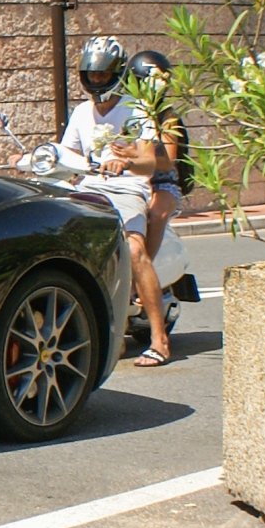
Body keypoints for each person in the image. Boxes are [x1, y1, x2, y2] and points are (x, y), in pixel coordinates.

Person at [58, 37, 174, 367]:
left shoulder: (136, 110)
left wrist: (126, 163)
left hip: (126, 189)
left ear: (118, 73)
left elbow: (150, 162)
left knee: (135, 250)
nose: (96, 81)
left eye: (102, 75)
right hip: (90, 187)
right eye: (91, 75)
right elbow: (70, 155)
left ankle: (158, 338)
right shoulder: (81, 112)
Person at [124, 50, 191, 265]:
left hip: (163, 183)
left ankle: (144, 269)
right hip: (130, 181)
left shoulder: (167, 117)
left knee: (156, 214)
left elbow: (168, 161)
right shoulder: (127, 113)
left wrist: (136, 156)